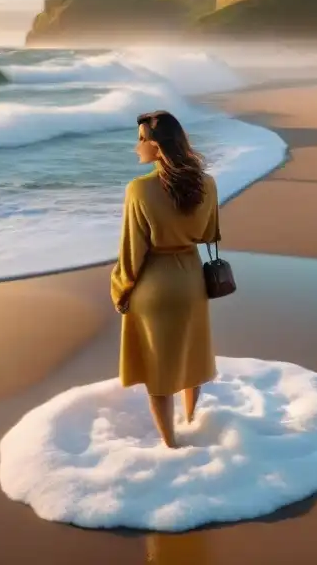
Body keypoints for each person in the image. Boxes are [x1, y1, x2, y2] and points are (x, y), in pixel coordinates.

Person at [111, 110, 220, 448]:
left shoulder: (139, 190)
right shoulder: (207, 183)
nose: (137, 146)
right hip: (191, 281)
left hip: (154, 285)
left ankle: (171, 444)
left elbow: (132, 253)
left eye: (142, 139)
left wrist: (120, 289)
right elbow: (208, 233)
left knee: (159, 373)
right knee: (190, 357)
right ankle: (189, 420)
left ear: (157, 147)